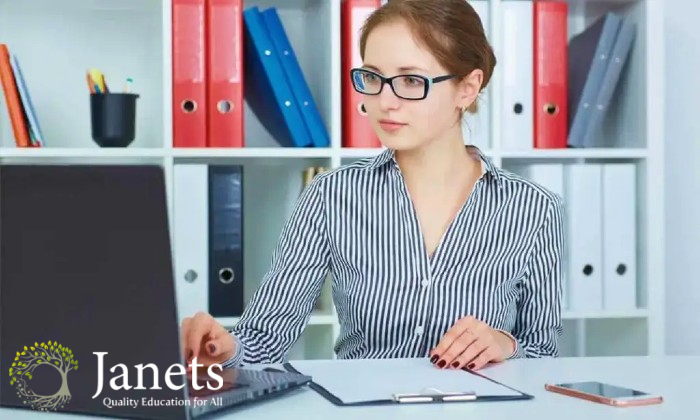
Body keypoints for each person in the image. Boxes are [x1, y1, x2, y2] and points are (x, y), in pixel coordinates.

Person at [180, 0, 564, 373]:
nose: (385, 101)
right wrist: (222, 349)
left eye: (411, 80)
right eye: (373, 78)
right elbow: (264, 339)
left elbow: (543, 352)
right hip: (362, 405)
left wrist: (505, 344)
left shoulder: (534, 208)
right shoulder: (331, 195)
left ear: (467, 87)